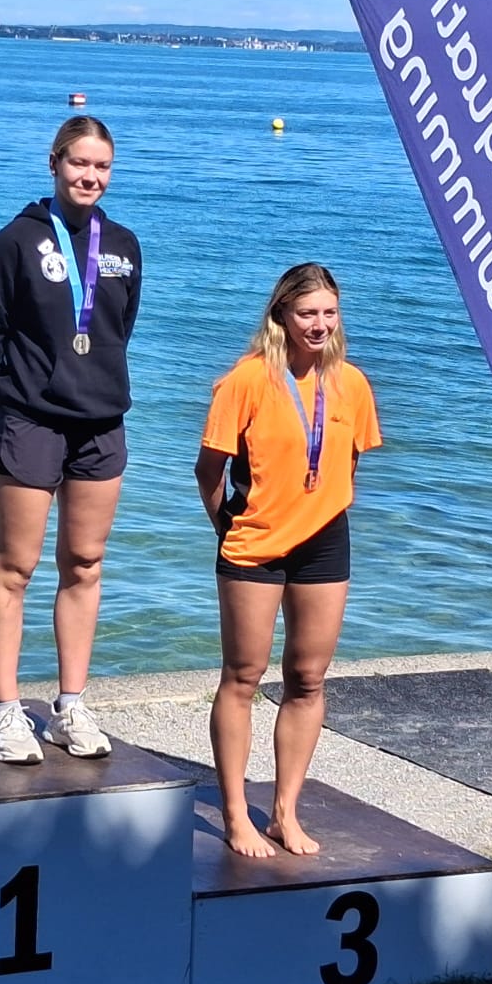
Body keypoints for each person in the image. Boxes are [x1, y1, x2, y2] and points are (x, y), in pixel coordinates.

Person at [0, 115, 143, 764]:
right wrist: (8, 402)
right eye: (79, 164)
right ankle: (8, 712)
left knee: (85, 566)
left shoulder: (122, 243)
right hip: (30, 422)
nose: (89, 176)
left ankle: (70, 706)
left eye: (101, 167)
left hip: (101, 424)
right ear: (55, 163)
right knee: (16, 567)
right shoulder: (12, 242)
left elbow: (122, 327)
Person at [195, 264, 381, 858]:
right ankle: (234, 814)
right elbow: (209, 470)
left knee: (308, 678)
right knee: (243, 677)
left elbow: (346, 465)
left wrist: (317, 507)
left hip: (325, 543)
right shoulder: (246, 381)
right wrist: (225, 522)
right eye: (308, 313)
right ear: (282, 315)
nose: (320, 324)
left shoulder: (351, 383)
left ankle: (284, 811)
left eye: (329, 312)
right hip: (253, 543)